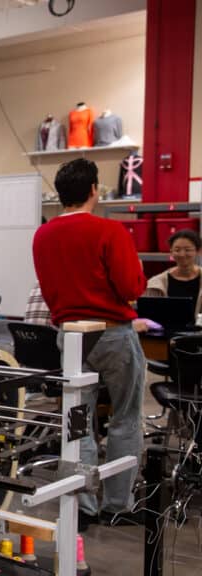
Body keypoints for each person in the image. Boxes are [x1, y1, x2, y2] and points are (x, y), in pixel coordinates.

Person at [32, 158, 146, 529]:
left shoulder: (43, 235)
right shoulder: (109, 231)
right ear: (94, 189)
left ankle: (82, 503)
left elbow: (49, 291)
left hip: (72, 335)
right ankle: (117, 503)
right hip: (114, 332)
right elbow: (131, 287)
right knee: (125, 417)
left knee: (78, 422)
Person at [145, 229, 202, 315]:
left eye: (187, 250)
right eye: (177, 250)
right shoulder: (156, 284)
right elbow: (148, 315)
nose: (182, 254)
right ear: (171, 252)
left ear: (198, 251)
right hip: (167, 328)